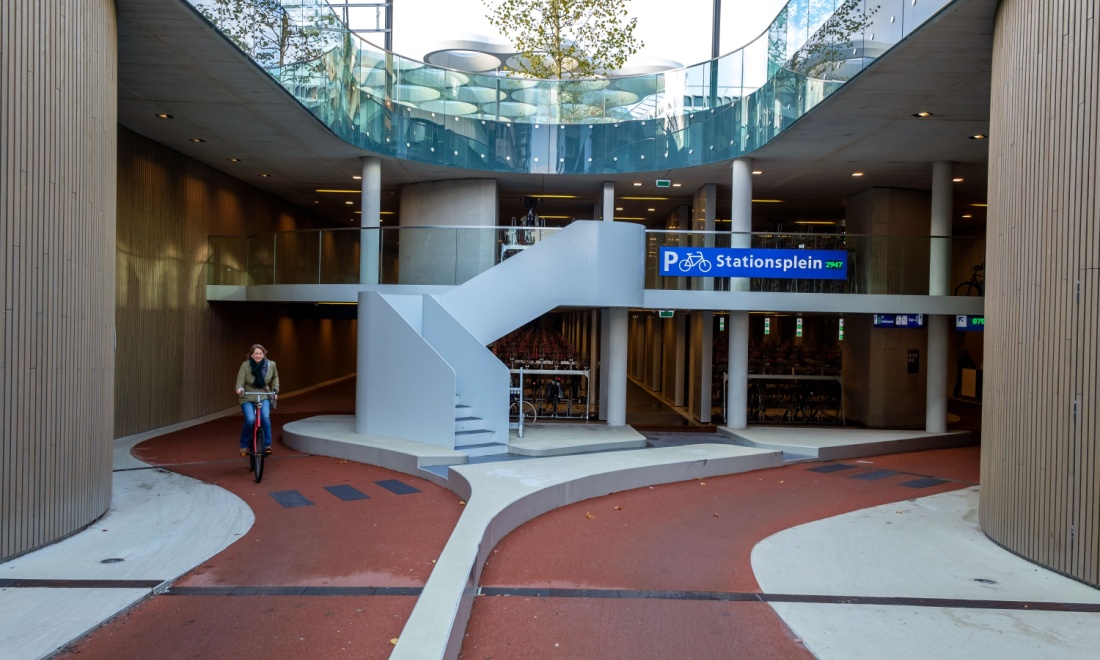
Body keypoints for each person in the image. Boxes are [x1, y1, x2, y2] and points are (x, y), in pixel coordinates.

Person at [235, 344, 280, 456]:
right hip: (247, 396)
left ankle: (267, 445)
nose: (258, 355)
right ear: (252, 355)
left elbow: (275, 377)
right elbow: (240, 381)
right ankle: (244, 446)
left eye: (260, 353)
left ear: (264, 354)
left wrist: (275, 390)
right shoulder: (245, 366)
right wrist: (239, 388)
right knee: (250, 419)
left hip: (264, 395)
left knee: (265, 417)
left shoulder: (271, 365)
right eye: (256, 353)